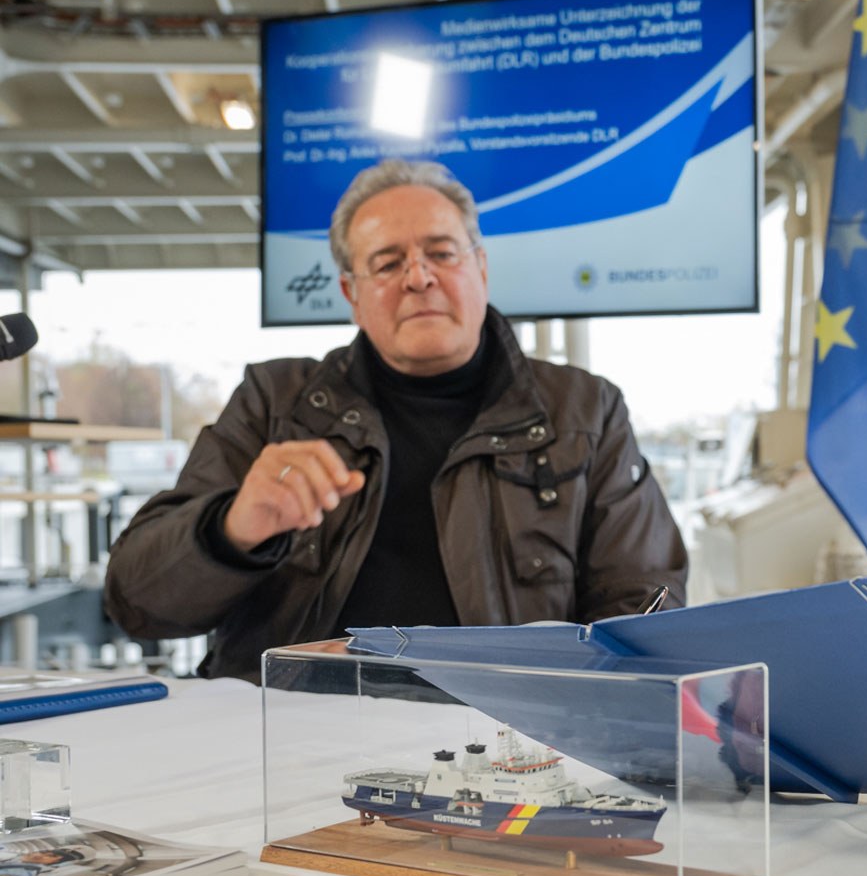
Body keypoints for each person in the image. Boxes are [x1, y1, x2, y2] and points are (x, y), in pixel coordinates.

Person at [106, 159, 687, 681]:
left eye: (441, 252)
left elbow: (643, 607)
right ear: (351, 294)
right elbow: (137, 603)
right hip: (287, 739)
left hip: (505, 746)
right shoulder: (274, 403)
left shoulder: (584, 410)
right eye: (387, 263)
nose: (418, 276)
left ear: (480, 268)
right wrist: (231, 530)